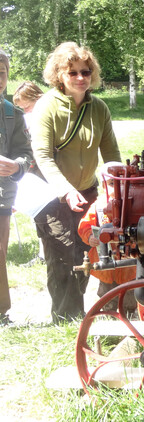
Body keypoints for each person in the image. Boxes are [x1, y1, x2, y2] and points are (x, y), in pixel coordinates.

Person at [30, 42, 121, 323]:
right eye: (73, 73)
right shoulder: (46, 106)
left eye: (86, 71)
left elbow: (112, 155)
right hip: (53, 195)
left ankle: (78, 317)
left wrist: (120, 185)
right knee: (63, 257)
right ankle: (67, 322)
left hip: (88, 192)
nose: (81, 78)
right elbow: (43, 156)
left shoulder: (99, 108)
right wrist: (65, 190)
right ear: (59, 75)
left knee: (86, 253)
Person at [0, 51, 34, 325]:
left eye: (2, 72)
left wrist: (17, 166)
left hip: (2, 194)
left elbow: (26, 153)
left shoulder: (13, 114)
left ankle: (0, 311)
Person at [77, 163, 136, 312]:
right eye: (112, 183)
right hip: (105, 267)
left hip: (128, 264)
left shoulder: (133, 204)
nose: (117, 187)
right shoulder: (98, 206)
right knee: (106, 295)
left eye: (122, 183)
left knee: (130, 295)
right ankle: (108, 315)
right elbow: (84, 225)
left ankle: (129, 316)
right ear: (104, 185)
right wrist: (90, 236)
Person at [13, 81, 46, 267]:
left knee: (45, 215)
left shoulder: (44, 115)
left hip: (46, 171)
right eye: (21, 108)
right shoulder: (27, 118)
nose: (25, 111)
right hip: (33, 170)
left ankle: (46, 255)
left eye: (27, 107)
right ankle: (43, 254)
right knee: (38, 215)